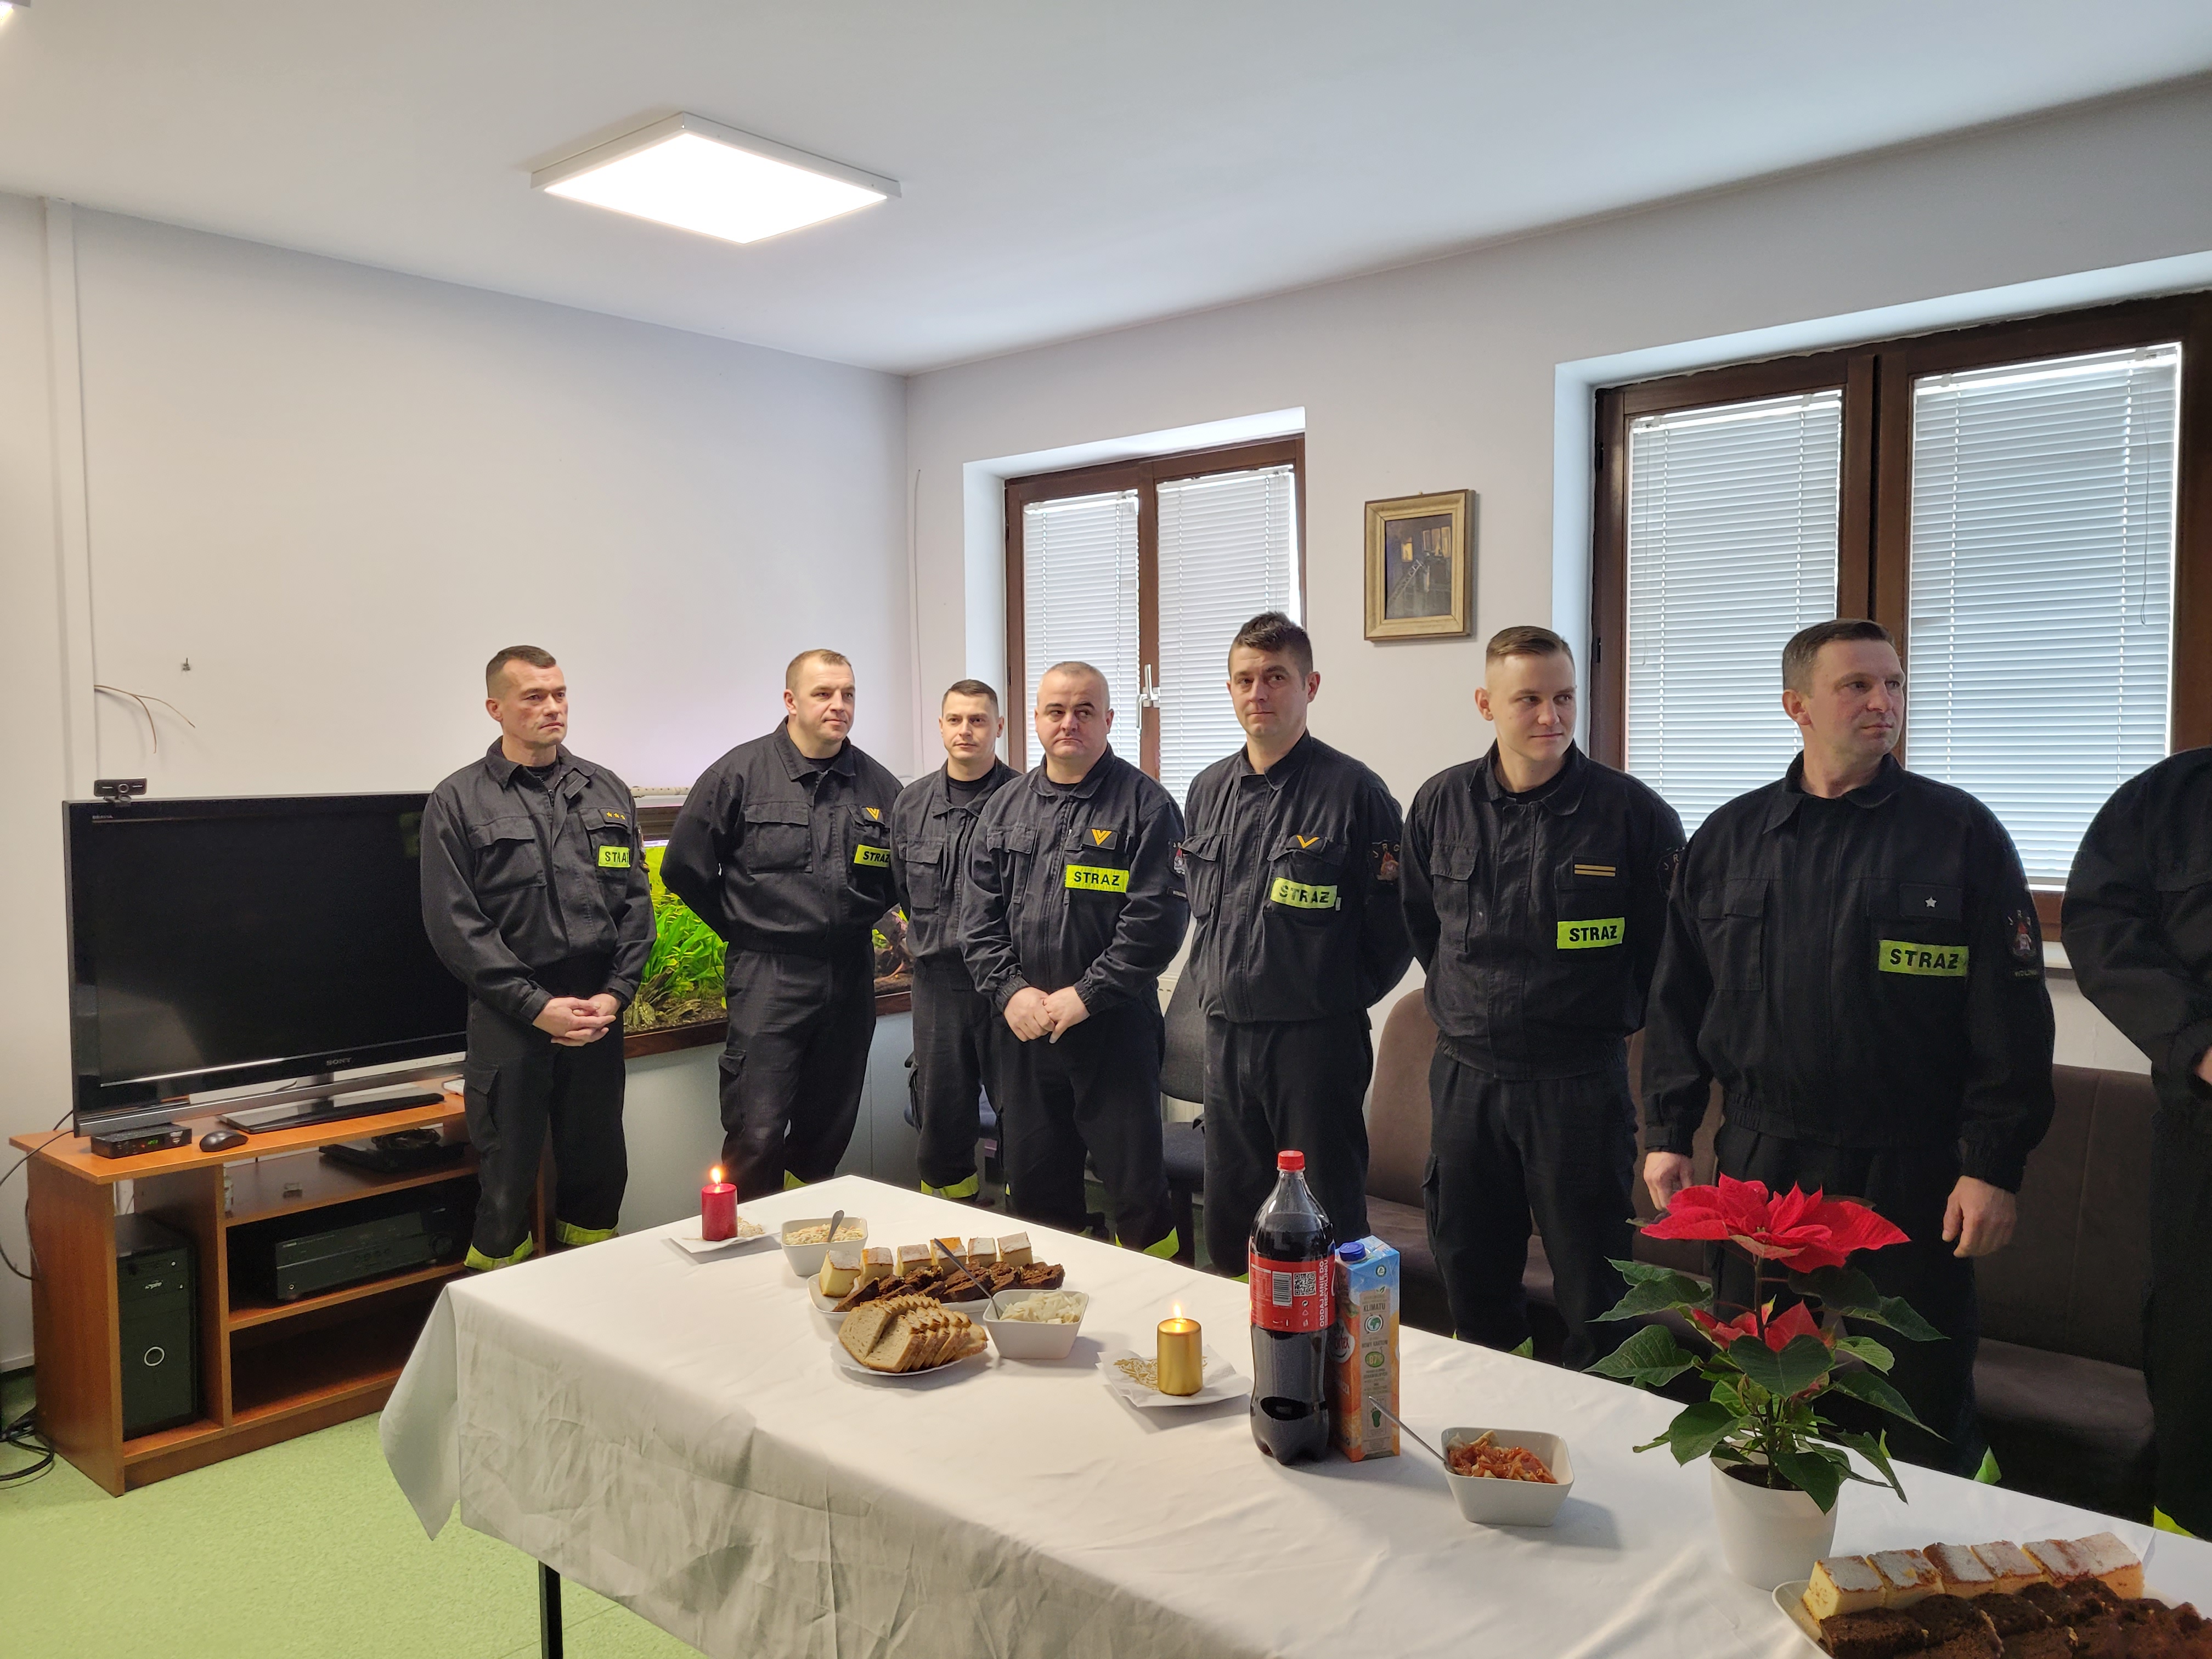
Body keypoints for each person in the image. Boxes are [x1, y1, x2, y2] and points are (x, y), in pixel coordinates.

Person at [1641, 618, 2054, 1477]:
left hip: (1910, 1166)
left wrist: (1994, 1164)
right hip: (1764, 1158)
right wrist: (1667, 1132)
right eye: (1857, 685)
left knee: (1918, 1400)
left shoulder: (1959, 834)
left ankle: (1924, 1545)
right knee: (1761, 1392)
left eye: (1893, 684)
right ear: (1797, 706)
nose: (1883, 702)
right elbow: (1677, 1002)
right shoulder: (1730, 839)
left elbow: (2012, 1019)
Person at [1401, 625, 1684, 1368]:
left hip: (1577, 1083)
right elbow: (1425, 926)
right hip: (1466, 1079)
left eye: (1564, 697)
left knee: (1596, 1281)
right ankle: (1492, 1406)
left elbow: (1664, 957)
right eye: (1528, 699)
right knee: (1470, 1266)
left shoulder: (1634, 815)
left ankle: (1605, 1420)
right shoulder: (1440, 804)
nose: (1551, 717)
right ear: (1486, 704)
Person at [1181, 612, 1412, 1271]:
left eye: (1276, 677)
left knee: (1325, 1215)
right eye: (1245, 679)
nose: (1259, 693)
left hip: (1315, 1046)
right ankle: (1241, 1325)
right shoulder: (1207, 790)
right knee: (1231, 1214)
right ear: (1230, 689)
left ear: (1310, 686)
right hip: (1226, 1040)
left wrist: (1330, 993)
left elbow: (1395, 926)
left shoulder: (1355, 792)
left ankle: (1332, 1337)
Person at [421, 646, 653, 1271]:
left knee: (599, 1173)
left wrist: (616, 993)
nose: (553, 707)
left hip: (597, 1011)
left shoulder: (605, 790)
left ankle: (594, 1291)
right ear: (495, 708)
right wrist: (536, 1006)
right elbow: (455, 926)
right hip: (511, 1015)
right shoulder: (458, 800)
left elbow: (636, 905)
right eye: (534, 697)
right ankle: (498, 1304)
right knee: (505, 1184)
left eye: (560, 693)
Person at [959, 661, 1186, 1256]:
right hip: (1026, 1032)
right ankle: (1050, 1302)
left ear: (1108, 719)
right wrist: (1008, 991)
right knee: (1035, 1191)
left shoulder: (1147, 807)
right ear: (1035, 719)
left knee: (1137, 1193)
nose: (1069, 723)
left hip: (1114, 1031)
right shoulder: (1003, 808)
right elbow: (977, 918)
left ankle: (1159, 1303)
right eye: (1056, 711)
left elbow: (1156, 923)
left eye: (1084, 711)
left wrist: (1087, 995)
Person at [662, 649, 901, 1199]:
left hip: (849, 971)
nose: (839, 705)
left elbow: (899, 876)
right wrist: (741, 926)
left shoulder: (879, 786)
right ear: (791, 701)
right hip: (769, 974)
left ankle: (802, 1231)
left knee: (831, 1124)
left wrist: (866, 918)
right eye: (824, 693)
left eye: (848, 694)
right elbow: (682, 868)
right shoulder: (739, 774)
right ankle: (747, 1239)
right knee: (758, 1129)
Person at [2063, 748, 2212, 1538]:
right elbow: (2101, 928)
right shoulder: (2171, 800)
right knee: (2198, 1374)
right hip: (2207, 1136)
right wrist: (2198, 1045)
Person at [892, 679, 1019, 1201]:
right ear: (941, 725)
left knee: (1024, 1119)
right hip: (938, 988)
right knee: (941, 1121)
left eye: (979, 720)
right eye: (956, 719)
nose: (966, 730)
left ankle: (1028, 1230)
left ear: (999, 726)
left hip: (1008, 987)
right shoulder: (911, 803)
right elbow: (901, 887)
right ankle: (948, 1228)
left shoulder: (1024, 801)